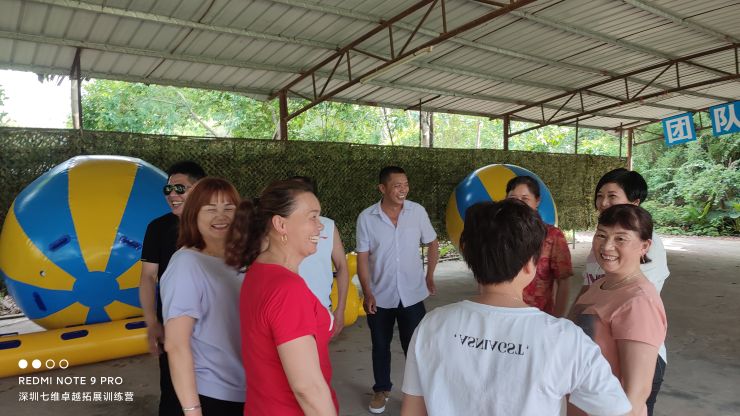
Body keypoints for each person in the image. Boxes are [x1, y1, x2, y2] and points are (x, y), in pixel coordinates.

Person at [400, 199, 631, 416]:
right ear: (531, 264)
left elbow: (412, 410)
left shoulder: (432, 324)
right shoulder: (566, 338)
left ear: (468, 255)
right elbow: (616, 410)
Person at [225, 180, 338, 416]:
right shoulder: (287, 289)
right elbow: (308, 388)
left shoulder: (259, 270)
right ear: (281, 224)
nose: (320, 226)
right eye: (312, 217)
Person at [578, 168, 669, 415]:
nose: (603, 202)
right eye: (600, 196)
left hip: (632, 349)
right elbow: (587, 292)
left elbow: (632, 397)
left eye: (612, 196)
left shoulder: (638, 300)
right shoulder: (602, 263)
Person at [356, 165, 439, 414]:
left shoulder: (417, 212)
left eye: (405, 184)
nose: (403, 190)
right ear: (382, 188)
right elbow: (362, 258)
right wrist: (367, 292)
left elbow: (433, 242)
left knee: (415, 346)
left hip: (412, 294)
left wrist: (430, 275)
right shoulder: (367, 218)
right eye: (396, 186)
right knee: (380, 345)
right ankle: (381, 390)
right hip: (379, 295)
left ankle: (419, 394)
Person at [160, 177, 245, 415]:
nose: (221, 216)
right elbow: (176, 344)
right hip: (214, 393)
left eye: (229, 208)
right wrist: (192, 409)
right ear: (193, 215)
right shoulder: (187, 264)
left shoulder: (243, 258)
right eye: (210, 209)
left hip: (250, 387)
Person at [139, 160, 206, 416]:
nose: (173, 195)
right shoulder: (157, 228)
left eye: (180, 188)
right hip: (172, 325)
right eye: (168, 189)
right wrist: (151, 322)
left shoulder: (217, 226)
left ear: (199, 189)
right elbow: (148, 277)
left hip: (211, 326)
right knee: (172, 392)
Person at [291, 176, 350, 338]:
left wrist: (340, 309)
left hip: (321, 308)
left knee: (318, 352)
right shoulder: (280, 227)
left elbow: (342, 266)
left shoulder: (328, 226)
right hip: (288, 309)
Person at [506, 176, 573, 316]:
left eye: (525, 199)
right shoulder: (498, 234)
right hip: (503, 315)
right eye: (512, 198)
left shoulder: (552, 236)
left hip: (540, 317)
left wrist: (557, 320)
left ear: (537, 201)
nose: (518, 203)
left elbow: (564, 281)